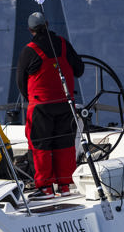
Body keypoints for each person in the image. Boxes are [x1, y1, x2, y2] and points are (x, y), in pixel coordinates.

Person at [16, 12, 85, 197]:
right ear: (47, 24)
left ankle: (45, 187)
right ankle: (64, 186)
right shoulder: (63, 44)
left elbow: (21, 82)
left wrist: (30, 97)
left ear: (30, 30)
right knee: (64, 144)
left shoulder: (29, 50)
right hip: (65, 104)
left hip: (40, 106)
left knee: (40, 146)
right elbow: (80, 69)